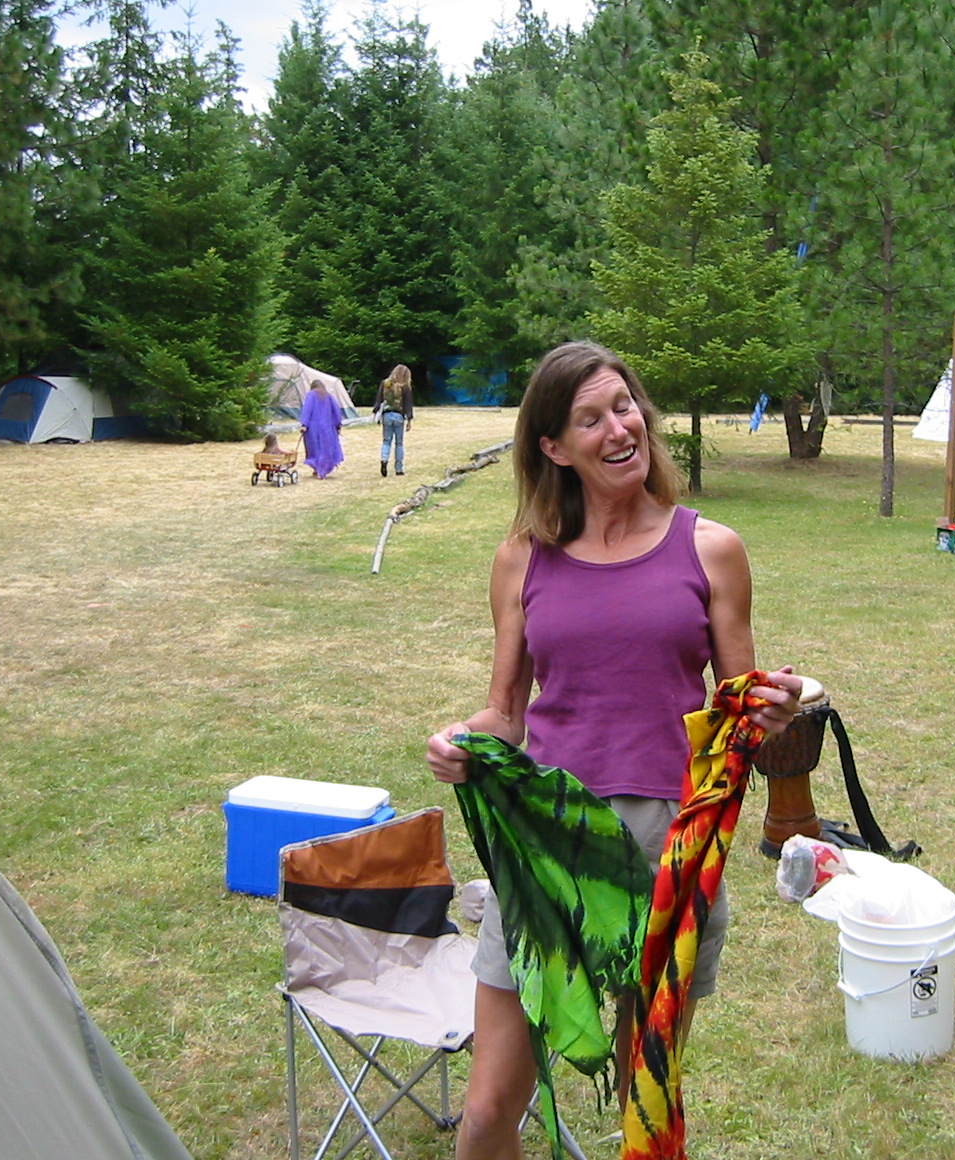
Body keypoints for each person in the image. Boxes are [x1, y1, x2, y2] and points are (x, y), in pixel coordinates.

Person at [425, 340, 803, 1160]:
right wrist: (461, 741)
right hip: (546, 849)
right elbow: (505, 713)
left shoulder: (711, 548)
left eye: (624, 406)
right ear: (555, 447)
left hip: (668, 847)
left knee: (646, 1104)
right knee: (487, 1111)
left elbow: (739, 710)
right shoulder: (521, 558)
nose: (619, 428)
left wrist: (771, 710)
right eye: (590, 418)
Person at [373, 364, 414, 477]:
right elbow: (408, 405)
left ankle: (384, 460)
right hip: (398, 416)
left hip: (386, 415)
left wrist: (376, 412)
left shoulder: (385, 384)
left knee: (386, 441)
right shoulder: (405, 387)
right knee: (399, 443)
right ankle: (398, 468)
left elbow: (379, 400)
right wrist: (409, 419)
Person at [299, 380, 344, 479]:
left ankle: (319, 471)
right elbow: (337, 412)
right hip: (328, 428)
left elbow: (307, 409)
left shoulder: (311, 395)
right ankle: (320, 470)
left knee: (315, 450)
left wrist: (304, 424)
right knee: (325, 450)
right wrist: (338, 425)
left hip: (313, 428)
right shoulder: (329, 396)